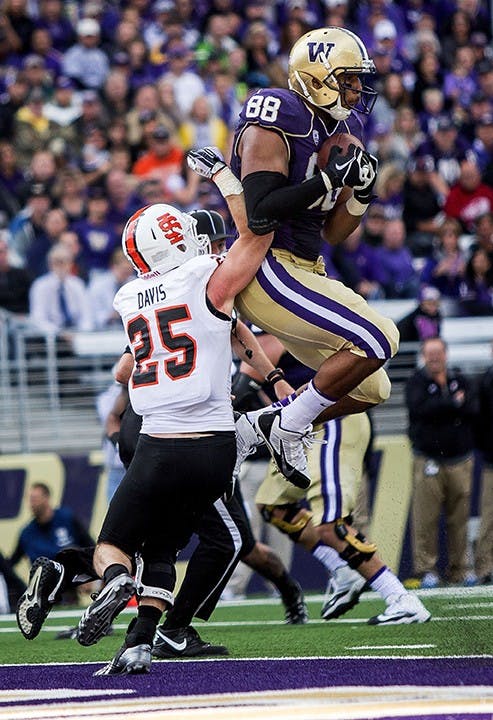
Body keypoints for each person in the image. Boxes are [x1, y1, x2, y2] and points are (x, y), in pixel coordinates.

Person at [187, 26, 399, 491]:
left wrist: (360, 195)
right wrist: (325, 183)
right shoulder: (281, 112)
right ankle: (288, 427)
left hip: (307, 266)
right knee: (380, 336)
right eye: (348, 79)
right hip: (267, 267)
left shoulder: (345, 129)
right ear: (317, 76)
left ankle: (260, 424)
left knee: (372, 387)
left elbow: (335, 232)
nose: (358, 90)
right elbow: (260, 213)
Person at [235, 334, 430, 625]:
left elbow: (243, 388)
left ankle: (401, 598)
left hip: (333, 419)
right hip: (304, 426)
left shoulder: (263, 329)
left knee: (329, 524)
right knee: (272, 505)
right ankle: (343, 569)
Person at [406, 337, 478, 588]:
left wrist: (445, 407)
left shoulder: (461, 379)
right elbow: (420, 410)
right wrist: (451, 404)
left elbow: (472, 408)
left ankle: (461, 569)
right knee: (426, 518)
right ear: (424, 356)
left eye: (438, 353)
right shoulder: (417, 382)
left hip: (460, 459)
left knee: (459, 518)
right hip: (429, 459)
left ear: (446, 354)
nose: (435, 358)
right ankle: (426, 569)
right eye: (430, 353)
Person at [9, 483, 94, 569]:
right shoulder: (26, 534)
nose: (32, 504)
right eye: (30, 500)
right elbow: (12, 562)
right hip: (47, 580)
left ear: (46, 498)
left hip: (76, 576)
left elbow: (90, 545)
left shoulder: (66, 517)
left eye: (35, 499)